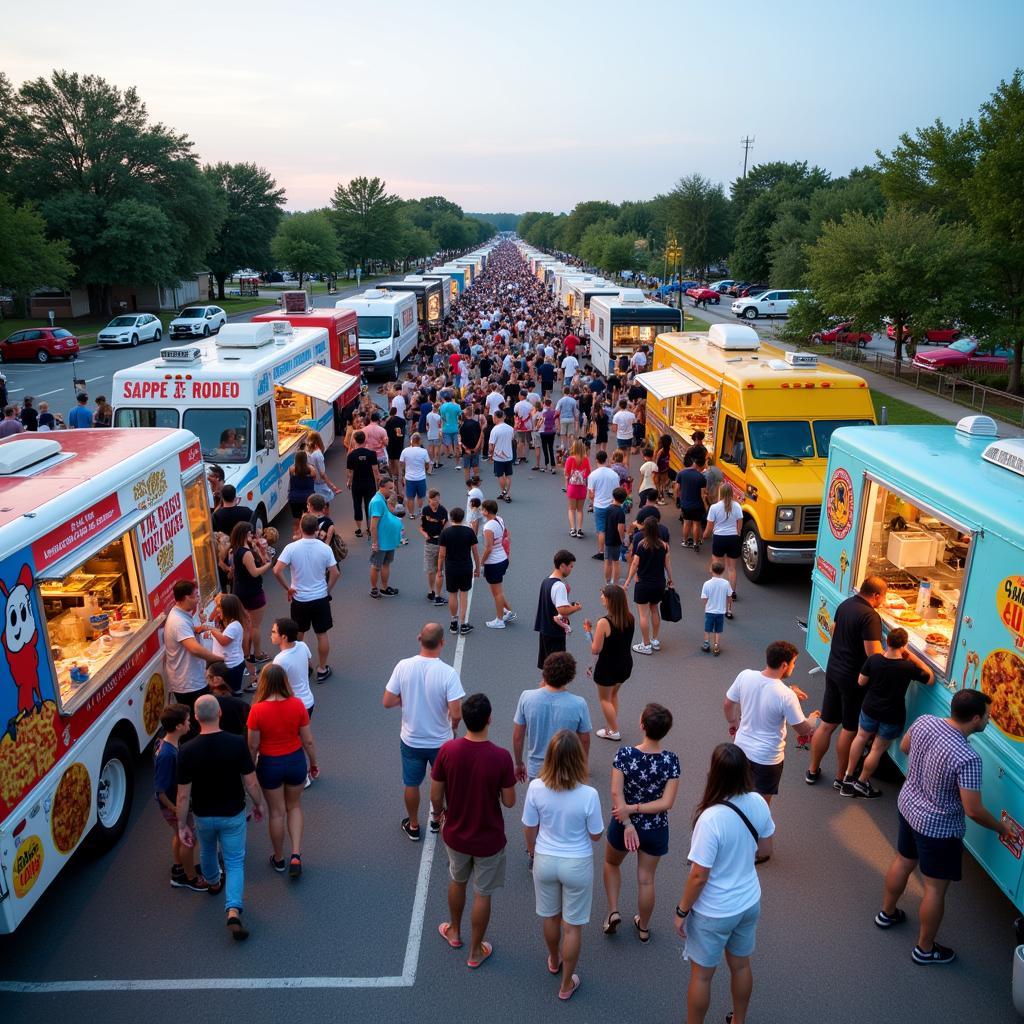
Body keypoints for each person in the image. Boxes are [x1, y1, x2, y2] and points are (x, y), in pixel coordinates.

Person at [878, 689, 1011, 965]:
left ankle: (887, 913)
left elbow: (904, 747)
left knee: (903, 861)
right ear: (975, 719)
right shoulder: (968, 758)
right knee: (935, 890)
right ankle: (925, 949)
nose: (989, 720)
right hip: (938, 828)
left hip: (909, 807)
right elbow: (973, 809)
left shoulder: (925, 721)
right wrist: (1001, 828)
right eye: (988, 716)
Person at [676, 744, 775, 1024]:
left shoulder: (710, 818)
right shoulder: (757, 802)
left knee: (702, 976)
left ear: (715, 774)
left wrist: (681, 911)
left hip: (714, 911)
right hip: (748, 901)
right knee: (741, 966)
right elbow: (766, 849)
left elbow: (698, 876)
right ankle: (738, 1020)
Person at [431, 693, 517, 969]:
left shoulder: (448, 750)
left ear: (465, 720)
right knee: (483, 893)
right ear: (489, 719)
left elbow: (435, 794)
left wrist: (440, 816)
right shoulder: (501, 757)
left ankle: (454, 932)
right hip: (488, 839)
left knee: (457, 881)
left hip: (455, 834)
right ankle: (475, 950)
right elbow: (509, 802)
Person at [175, 695, 267, 941]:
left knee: (206, 849)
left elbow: (183, 796)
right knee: (235, 861)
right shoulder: (237, 743)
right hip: (233, 812)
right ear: (219, 714)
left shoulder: (186, 750)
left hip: (204, 815)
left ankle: (214, 882)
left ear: (195, 718)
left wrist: (182, 825)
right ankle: (233, 910)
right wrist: (259, 804)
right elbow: (250, 781)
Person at [522, 730, 604, 1001]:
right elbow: (595, 835)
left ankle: (554, 959)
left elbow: (529, 826)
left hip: (545, 860)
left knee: (550, 917)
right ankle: (567, 983)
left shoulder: (536, 788)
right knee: (572, 926)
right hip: (577, 863)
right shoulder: (589, 794)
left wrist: (534, 852)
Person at [602, 703, 680, 942]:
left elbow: (616, 794)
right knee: (646, 879)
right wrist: (639, 810)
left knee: (611, 863)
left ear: (642, 725)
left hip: (624, 825)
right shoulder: (671, 761)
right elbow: (667, 803)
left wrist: (628, 821)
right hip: (655, 829)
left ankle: (613, 911)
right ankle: (643, 927)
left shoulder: (625, 755)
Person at [382, 623, 465, 841]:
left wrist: (406, 699)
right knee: (442, 783)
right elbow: (456, 712)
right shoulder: (448, 673)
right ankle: (437, 819)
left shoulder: (403, 666)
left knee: (411, 783)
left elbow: (387, 701)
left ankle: (414, 824)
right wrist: (453, 728)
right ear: (442, 643)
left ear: (420, 638)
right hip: (441, 742)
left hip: (411, 740)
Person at [806, 576, 887, 789]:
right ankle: (840, 777)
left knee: (826, 724)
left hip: (833, 670)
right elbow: (874, 656)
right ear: (876, 595)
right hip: (853, 679)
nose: (883, 602)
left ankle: (812, 770)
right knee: (850, 729)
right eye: (883, 598)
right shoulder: (870, 617)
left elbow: (833, 630)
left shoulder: (845, 604)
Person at [724, 641, 817, 823]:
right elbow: (802, 728)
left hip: (741, 749)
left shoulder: (746, 676)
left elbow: (728, 703)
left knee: (738, 793)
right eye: (793, 663)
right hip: (767, 759)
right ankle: (757, 840)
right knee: (761, 805)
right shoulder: (786, 696)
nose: (793, 667)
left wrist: (734, 722)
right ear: (784, 665)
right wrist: (813, 718)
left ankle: (734, 828)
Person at [842, 628, 934, 799]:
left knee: (860, 738)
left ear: (887, 642)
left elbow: (861, 681)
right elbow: (930, 679)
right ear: (904, 645)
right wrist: (914, 658)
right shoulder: (907, 667)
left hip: (869, 708)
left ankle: (848, 777)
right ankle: (862, 783)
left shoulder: (874, 660)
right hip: (892, 714)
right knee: (876, 749)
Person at [247, 664, 318, 878]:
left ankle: (278, 858)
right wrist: (313, 763)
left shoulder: (257, 710)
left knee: (276, 813)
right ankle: (296, 854)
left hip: (269, 764)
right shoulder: (297, 705)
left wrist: (251, 769)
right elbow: (308, 740)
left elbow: (252, 745)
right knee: (294, 807)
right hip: (295, 761)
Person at [272, 513, 339, 682]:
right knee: (321, 634)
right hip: (320, 598)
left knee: (298, 633)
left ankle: (302, 666)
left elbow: (276, 570)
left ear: (301, 528)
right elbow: (335, 572)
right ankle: (322, 668)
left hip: (300, 599)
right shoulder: (325, 548)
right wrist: (327, 589)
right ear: (317, 529)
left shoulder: (291, 548)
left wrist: (289, 588)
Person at [513, 652, 591, 784]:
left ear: (545, 673)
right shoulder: (579, 704)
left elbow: (518, 736)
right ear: (570, 677)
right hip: (566, 768)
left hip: (536, 769)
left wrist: (519, 763)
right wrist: (582, 766)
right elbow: (584, 740)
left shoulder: (527, 697)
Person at [154, 705, 205, 891]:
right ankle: (190, 877)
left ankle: (179, 866)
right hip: (174, 805)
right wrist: (175, 809)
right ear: (178, 726)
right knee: (188, 838)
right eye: (187, 720)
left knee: (179, 834)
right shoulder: (167, 755)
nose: (190, 722)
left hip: (176, 804)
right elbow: (160, 789)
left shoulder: (167, 744)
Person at [583, 584, 634, 740]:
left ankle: (614, 731)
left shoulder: (603, 623)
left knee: (604, 699)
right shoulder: (630, 617)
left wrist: (588, 633)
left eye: (603, 595)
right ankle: (610, 726)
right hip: (625, 664)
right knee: (613, 695)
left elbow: (595, 649)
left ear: (611, 600)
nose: (601, 598)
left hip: (607, 667)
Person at [164, 580, 221, 718]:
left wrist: (197, 629)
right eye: (196, 596)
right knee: (200, 722)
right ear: (186, 598)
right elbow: (194, 649)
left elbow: (185, 635)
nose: (198, 599)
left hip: (194, 678)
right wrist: (218, 659)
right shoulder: (178, 622)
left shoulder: (181, 614)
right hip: (189, 683)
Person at [229, 522, 273, 683]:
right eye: (249, 534)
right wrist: (268, 566)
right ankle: (257, 654)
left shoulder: (235, 551)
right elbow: (254, 572)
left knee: (245, 625)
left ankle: (245, 656)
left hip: (240, 591)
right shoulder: (246, 553)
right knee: (254, 626)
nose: (252, 536)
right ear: (244, 535)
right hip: (252, 592)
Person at [624, 516, 673, 656]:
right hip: (659, 583)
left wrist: (627, 581)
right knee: (654, 609)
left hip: (643, 584)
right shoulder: (664, 546)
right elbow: (667, 565)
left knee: (643, 615)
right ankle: (655, 640)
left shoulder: (641, 545)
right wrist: (671, 579)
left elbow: (635, 564)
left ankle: (645, 645)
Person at [534, 549, 582, 670]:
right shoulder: (559, 586)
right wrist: (576, 608)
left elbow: (552, 604)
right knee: (556, 671)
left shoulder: (546, 581)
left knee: (547, 668)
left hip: (545, 630)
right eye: (570, 566)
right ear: (562, 566)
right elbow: (562, 611)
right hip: (554, 633)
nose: (571, 569)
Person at [437, 506, 480, 635]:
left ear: (451, 518)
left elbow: (442, 554)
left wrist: (439, 569)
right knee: (464, 595)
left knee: (452, 594)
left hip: (451, 568)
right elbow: (475, 552)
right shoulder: (469, 532)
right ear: (462, 518)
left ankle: (453, 622)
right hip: (466, 567)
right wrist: (478, 567)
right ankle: (463, 624)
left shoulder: (445, 533)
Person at [703, 483, 743, 601]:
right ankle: (732, 593)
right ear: (731, 493)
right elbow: (739, 525)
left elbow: (709, 527)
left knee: (717, 567)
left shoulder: (714, 507)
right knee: (732, 568)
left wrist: (704, 536)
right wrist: (737, 535)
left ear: (720, 492)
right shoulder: (737, 506)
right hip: (733, 538)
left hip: (719, 538)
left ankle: (717, 592)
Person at [271, 617, 315, 723]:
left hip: (293, 706)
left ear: (284, 637)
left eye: (274, 632)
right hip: (309, 702)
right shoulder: (302, 645)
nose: (271, 634)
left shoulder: (280, 659)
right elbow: (310, 665)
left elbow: (275, 687)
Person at [480, 499, 515, 629]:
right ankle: (509, 612)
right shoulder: (499, 519)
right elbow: (506, 535)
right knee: (498, 591)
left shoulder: (488, 527)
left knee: (497, 593)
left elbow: (488, 548)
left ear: (487, 512)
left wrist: (481, 563)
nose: (481, 511)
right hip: (502, 559)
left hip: (494, 563)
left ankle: (499, 620)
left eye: (482, 509)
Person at [367, 476, 403, 599]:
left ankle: (384, 587)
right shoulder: (377, 501)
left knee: (386, 564)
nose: (392, 491)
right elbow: (373, 525)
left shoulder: (382, 499)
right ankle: (374, 589)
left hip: (387, 540)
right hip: (381, 541)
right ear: (382, 487)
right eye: (390, 488)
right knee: (376, 566)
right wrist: (375, 542)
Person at [205, 594, 247, 696]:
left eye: (219, 607)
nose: (217, 609)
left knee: (228, 693)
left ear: (228, 609)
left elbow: (224, 641)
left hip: (232, 666)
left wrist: (210, 630)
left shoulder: (234, 626)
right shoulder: (227, 623)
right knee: (226, 691)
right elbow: (211, 618)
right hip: (228, 665)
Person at [346, 430, 380, 538]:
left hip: (356, 484)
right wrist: (378, 482)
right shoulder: (371, 454)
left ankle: (359, 529)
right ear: (365, 440)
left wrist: (349, 482)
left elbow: (350, 473)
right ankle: (370, 528)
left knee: (357, 504)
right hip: (369, 484)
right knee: (369, 505)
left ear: (355, 440)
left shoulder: (351, 455)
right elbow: (375, 471)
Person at [587, 449, 620, 561]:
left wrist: (591, 503)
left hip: (599, 506)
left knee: (601, 530)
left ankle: (601, 552)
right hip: (612, 505)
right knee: (613, 528)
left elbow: (591, 494)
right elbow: (617, 491)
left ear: (597, 460)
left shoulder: (593, 475)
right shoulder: (614, 475)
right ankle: (612, 551)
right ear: (607, 460)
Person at [205, 662, 250, 736]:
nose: (206, 679)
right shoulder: (241, 705)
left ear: (216, 680)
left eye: (208, 677)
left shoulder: (207, 704)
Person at [420, 489, 448, 606]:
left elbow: (446, 525)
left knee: (439, 570)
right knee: (431, 570)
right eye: (432, 501)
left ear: (439, 499)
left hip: (440, 544)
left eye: (436, 500)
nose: (434, 503)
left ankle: (437, 595)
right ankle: (431, 591)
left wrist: (444, 537)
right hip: (430, 543)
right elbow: (421, 527)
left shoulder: (443, 511)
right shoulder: (425, 510)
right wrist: (425, 535)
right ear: (429, 500)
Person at [701, 561, 732, 655]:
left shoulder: (707, 584)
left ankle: (706, 644)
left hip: (709, 610)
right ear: (723, 571)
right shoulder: (726, 583)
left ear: (711, 569)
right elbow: (729, 596)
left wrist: (706, 606)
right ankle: (716, 645)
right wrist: (728, 607)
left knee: (707, 628)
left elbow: (704, 598)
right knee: (718, 629)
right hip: (720, 611)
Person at [677, 453, 708, 548]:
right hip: (697, 505)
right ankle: (695, 543)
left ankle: (685, 541)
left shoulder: (681, 473)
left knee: (686, 522)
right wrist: (706, 506)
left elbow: (677, 488)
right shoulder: (701, 477)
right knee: (696, 524)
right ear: (701, 465)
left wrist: (679, 499)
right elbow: (703, 495)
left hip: (685, 504)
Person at [399, 432, 432, 518]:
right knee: (420, 496)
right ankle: (420, 511)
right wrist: (425, 469)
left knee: (410, 497)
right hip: (421, 477)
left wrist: (403, 474)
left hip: (409, 478)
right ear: (419, 441)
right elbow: (427, 464)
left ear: (411, 441)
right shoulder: (423, 451)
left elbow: (401, 464)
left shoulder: (405, 451)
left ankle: (411, 514)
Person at [305, 431, 340, 510]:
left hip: (313, 484)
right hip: (320, 484)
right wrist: (332, 486)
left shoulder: (309, 453)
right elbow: (322, 474)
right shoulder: (318, 455)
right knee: (324, 506)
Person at [563, 439, 590, 538]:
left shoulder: (570, 459)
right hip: (582, 487)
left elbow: (566, 473)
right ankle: (579, 529)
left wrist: (566, 484)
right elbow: (588, 473)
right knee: (580, 510)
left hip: (572, 487)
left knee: (571, 509)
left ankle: (572, 529)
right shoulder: (586, 459)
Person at [287, 450, 317, 539]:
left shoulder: (292, 469)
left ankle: (296, 535)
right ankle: (307, 534)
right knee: (308, 517)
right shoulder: (311, 470)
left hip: (294, 498)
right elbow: (314, 478)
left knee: (296, 518)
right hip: (308, 498)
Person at [488, 410, 515, 502]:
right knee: (508, 475)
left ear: (496, 417)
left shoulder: (495, 429)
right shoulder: (510, 428)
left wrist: (490, 455)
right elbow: (512, 439)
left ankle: (504, 492)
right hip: (509, 455)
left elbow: (491, 446)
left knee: (500, 475)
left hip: (498, 456)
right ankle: (507, 494)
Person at [603, 487, 628, 585]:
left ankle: (607, 582)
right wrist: (623, 539)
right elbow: (620, 528)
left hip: (608, 538)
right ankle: (615, 583)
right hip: (616, 540)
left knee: (607, 561)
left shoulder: (608, 508)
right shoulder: (620, 512)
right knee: (616, 562)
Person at [458, 406, 483, 481]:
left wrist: (465, 449)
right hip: (475, 448)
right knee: (475, 466)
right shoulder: (476, 424)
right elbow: (480, 436)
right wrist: (477, 448)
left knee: (466, 468)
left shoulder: (462, 425)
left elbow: (460, 439)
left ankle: (468, 484)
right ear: (472, 414)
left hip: (466, 450)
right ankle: (475, 482)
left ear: (465, 414)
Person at [385, 405, 407, 480]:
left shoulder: (388, 421)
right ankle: (399, 474)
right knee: (397, 459)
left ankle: (392, 476)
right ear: (396, 412)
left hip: (390, 443)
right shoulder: (402, 420)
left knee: (391, 460)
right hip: (399, 442)